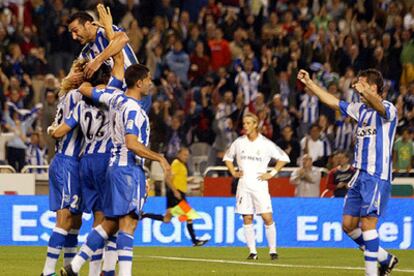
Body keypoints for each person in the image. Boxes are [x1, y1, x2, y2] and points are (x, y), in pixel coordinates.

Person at [60, 44, 180, 276]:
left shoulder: (114, 99)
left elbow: (88, 89)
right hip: (128, 169)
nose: (150, 84)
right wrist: (160, 158)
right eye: (148, 80)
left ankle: (74, 267)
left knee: (110, 223)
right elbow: (132, 143)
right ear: (139, 83)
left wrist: (85, 76)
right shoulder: (134, 110)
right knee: (128, 225)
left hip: (113, 167)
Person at [297, 68, 399, 276]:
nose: (356, 88)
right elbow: (332, 101)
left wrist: (368, 93)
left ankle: (372, 273)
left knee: (368, 224)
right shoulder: (359, 110)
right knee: (348, 225)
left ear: (372, 87)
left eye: (361, 84)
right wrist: (310, 84)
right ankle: (385, 259)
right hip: (359, 175)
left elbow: (379, 106)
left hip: (376, 176)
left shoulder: (388, 108)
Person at [223, 112, 290, 260]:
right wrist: (233, 171)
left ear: (255, 124)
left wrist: (271, 173)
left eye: (248, 123)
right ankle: (252, 252)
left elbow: (284, 158)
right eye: (244, 123)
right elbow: (227, 157)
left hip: (259, 185)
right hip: (243, 185)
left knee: (267, 217)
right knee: (247, 217)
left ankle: (273, 250)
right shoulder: (239, 142)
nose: (245, 126)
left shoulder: (265, 143)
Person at [41, 59, 85, 276]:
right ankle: (47, 272)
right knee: (65, 217)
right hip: (67, 162)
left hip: (71, 164)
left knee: (76, 219)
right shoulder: (78, 96)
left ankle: (68, 269)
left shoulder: (64, 97)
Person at [67, 7, 151, 114]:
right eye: (71, 33)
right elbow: (71, 77)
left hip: (137, 90)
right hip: (118, 99)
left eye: (75, 31)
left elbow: (123, 39)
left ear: (88, 24)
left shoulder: (105, 31)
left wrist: (98, 60)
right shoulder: (85, 53)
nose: (74, 37)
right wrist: (75, 79)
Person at [142, 147, 209, 246]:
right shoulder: (176, 164)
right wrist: (175, 191)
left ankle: (144, 215)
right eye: (184, 155)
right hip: (176, 194)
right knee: (189, 216)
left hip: (176, 193)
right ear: (179, 154)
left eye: (187, 155)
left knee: (167, 219)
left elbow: (178, 179)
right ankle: (195, 241)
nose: (186, 157)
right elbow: (167, 178)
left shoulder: (181, 165)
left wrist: (189, 180)